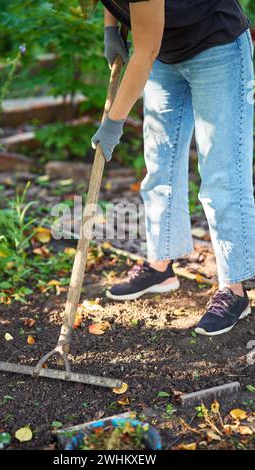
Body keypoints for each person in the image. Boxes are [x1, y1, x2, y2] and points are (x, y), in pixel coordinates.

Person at [91, 0, 255, 336]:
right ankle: (160, 265)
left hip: (216, 47)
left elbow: (145, 50)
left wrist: (114, 121)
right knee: (159, 164)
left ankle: (235, 288)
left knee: (223, 175)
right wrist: (111, 28)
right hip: (166, 55)